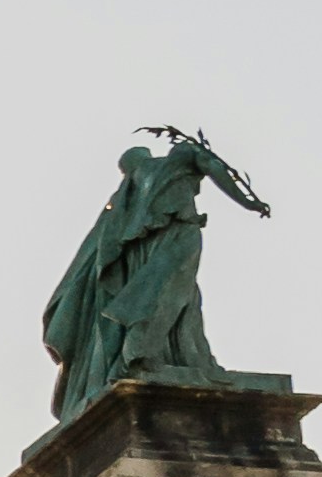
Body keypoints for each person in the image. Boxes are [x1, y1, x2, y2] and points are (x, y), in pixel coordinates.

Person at [40, 129, 270, 425]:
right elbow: (215, 169)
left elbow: (102, 248)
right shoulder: (179, 157)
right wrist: (249, 202)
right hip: (179, 233)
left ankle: (170, 359)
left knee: (175, 298)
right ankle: (142, 358)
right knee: (171, 295)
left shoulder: (124, 196)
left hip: (143, 250)